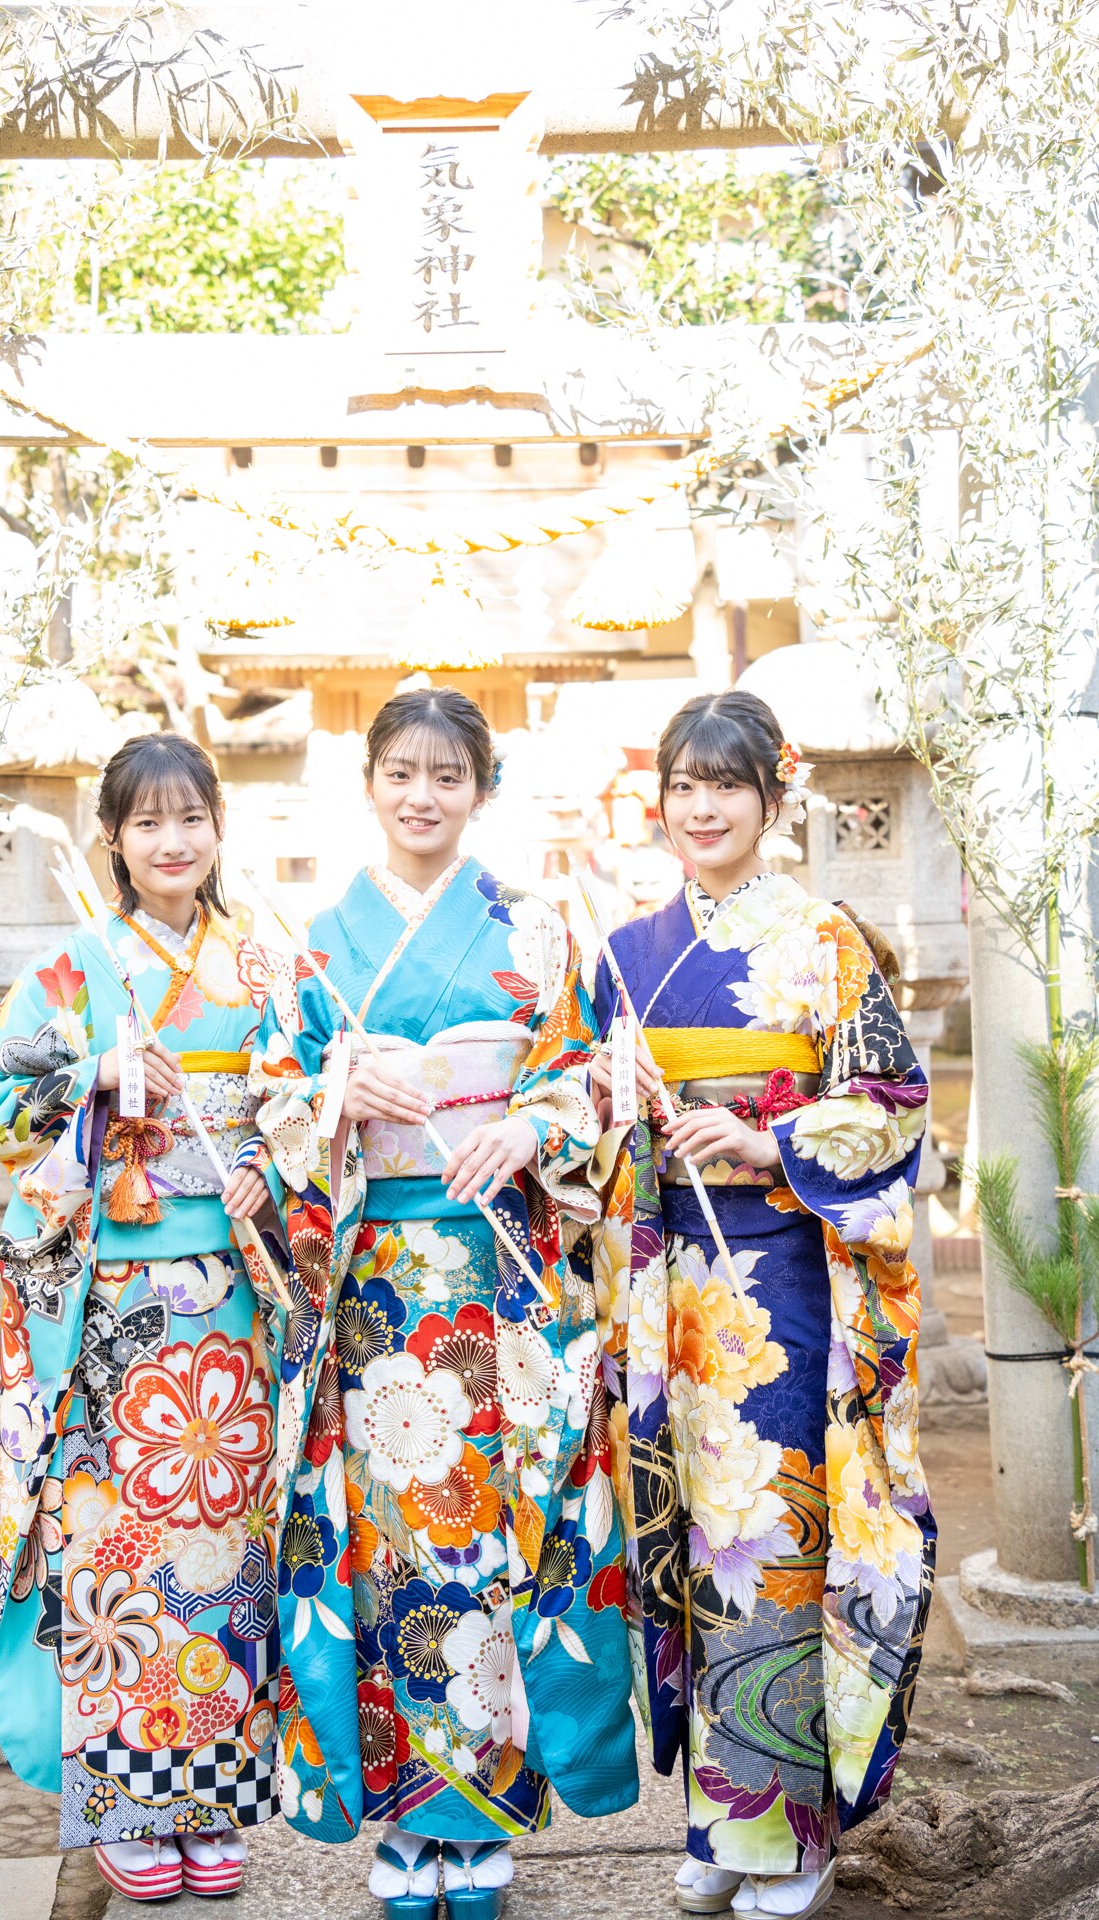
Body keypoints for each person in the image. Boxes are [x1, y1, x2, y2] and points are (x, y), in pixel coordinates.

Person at [249, 687, 637, 1920]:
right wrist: (329, 1105)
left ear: (483, 791)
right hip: (373, 1291)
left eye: (448, 777)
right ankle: (406, 1825)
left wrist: (528, 1122)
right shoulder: (312, 942)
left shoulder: (537, 929)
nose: (422, 797)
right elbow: (271, 1101)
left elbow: (590, 1077)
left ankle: (486, 1814)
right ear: (369, 783)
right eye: (401, 773)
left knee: (495, 1537)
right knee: (387, 1550)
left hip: (505, 1285)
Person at [589, 690, 934, 1920]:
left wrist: (765, 1131)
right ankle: (711, 1822)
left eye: (726, 786)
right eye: (683, 786)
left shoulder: (824, 939)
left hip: (780, 1282)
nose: (701, 808)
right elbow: (574, 1124)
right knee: (684, 1545)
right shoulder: (623, 953)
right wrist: (607, 1089)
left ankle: (786, 1833)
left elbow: (890, 1106)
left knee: (775, 1543)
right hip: (669, 1294)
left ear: (769, 800)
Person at [0, 733, 285, 1902]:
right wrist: (90, 1074)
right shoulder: (71, 967)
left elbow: (302, 1105)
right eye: (147, 823)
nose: (171, 842)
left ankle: (214, 1799)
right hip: (110, 1307)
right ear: (113, 839)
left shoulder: (262, 962)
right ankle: (126, 1806)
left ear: (216, 831)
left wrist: (265, 1166)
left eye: (190, 818)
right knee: (117, 1558)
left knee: (225, 1556)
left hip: (228, 1298)